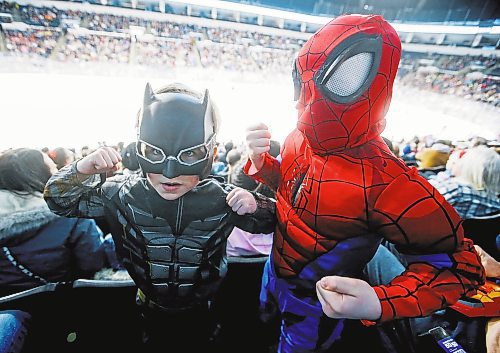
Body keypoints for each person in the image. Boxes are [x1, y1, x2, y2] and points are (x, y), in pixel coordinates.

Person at [244, 14, 484, 353]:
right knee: (260, 326)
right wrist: (262, 165)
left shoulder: (387, 182)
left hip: (321, 303)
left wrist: (379, 300)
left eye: (337, 83)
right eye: (302, 83)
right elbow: (294, 191)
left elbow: (460, 267)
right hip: (275, 272)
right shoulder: (296, 138)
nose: (304, 103)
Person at [44, 82, 276, 352]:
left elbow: (273, 222)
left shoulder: (223, 199)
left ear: (211, 154)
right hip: (146, 306)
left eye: (190, 153)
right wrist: (83, 169)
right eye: (154, 152)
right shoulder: (120, 194)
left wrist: (256, 204)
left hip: (206, 307)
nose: (169, 173)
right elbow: (58, 201)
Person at [0, 148, 110, 353]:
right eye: (53, 168)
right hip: (59, 314)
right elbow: (93, 263)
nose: (57, 170)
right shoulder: (68, 213)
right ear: (38, 174)